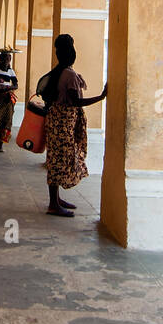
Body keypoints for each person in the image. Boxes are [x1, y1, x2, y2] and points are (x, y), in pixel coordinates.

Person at [37, 33, 105, 216]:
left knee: (55, 159)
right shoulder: (70, 75)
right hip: (63, 124)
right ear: (72, 53)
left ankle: (56, 199)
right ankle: (53, 204)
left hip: (55, 121)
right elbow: (76, 102)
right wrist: (101, 97)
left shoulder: (57, 72)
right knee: (60, 161)